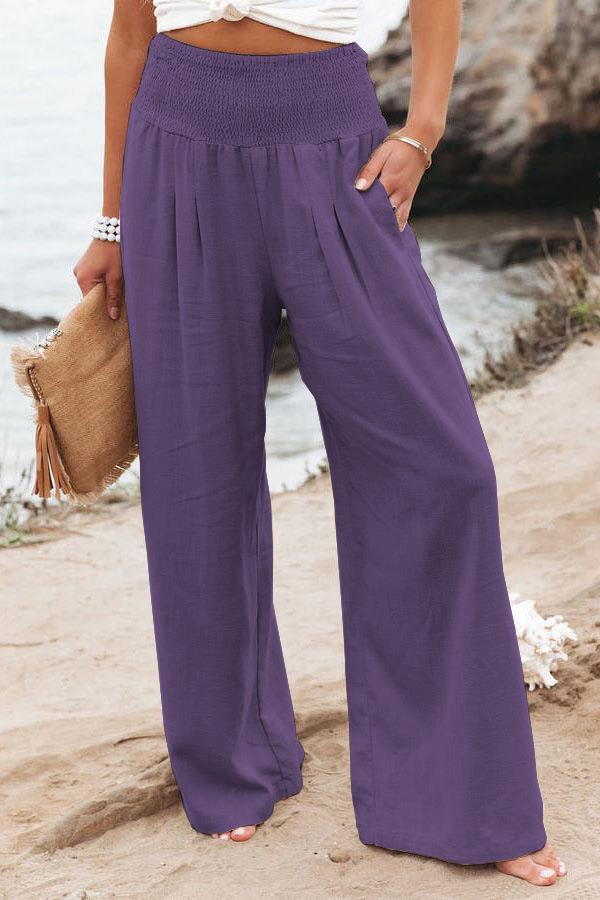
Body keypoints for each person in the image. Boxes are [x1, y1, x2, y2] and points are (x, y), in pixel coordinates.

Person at [73, 0, 566, 886]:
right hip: (175, 142)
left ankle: (460, 797)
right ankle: (233, 764)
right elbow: (130, 32)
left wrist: (422, 130)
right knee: (195, 475)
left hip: (334, 144)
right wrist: (111, 223)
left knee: (442, 468)